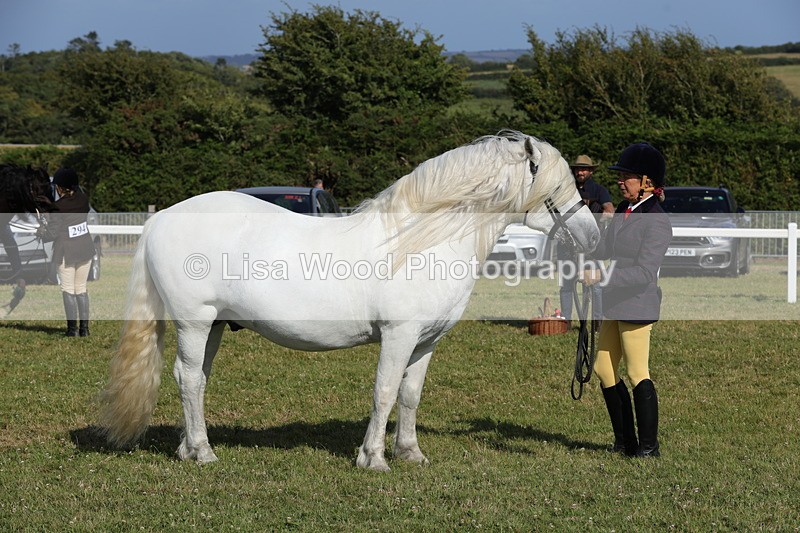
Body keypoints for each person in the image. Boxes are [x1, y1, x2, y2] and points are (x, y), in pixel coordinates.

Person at [581, 143, 672, 457]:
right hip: (614, 302)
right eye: (621, 176)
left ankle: (649, 448)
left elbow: (645, 272)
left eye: (627, 176)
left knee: (636, 373)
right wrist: (582, 245)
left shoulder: (657, 220)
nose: (620, 181)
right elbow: (606, 249)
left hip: (637, 303)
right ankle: (625, 443)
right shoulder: (623, 209)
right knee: (604, 368)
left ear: (647, 181)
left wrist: (602, 276)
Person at [558, 155, 612, 322]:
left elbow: (610, 211)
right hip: (567, 244)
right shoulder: (567, 191)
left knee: (595, 285)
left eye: (584, 169)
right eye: (578, 169)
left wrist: (597, 220)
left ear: (590, 171)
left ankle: (597, 322)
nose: (580, 172)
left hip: (590, 246)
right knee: (566, 285)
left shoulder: (599, 190)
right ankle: (566, 322)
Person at [45, 168, 96, 337]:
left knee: (68, 288)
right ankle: (84, 330)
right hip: (85, 248)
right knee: (81, 288)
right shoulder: (83, 199)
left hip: (66, 251)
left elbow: (51, 234)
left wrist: (41, 232)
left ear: (60, 187)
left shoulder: (58, 207)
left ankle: (72, 330)